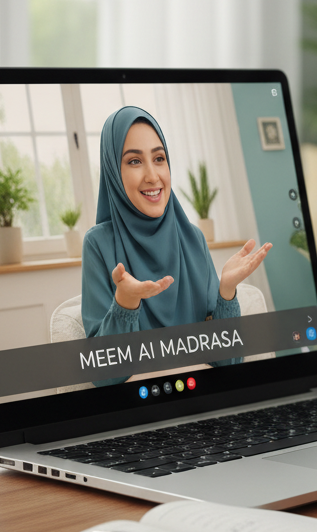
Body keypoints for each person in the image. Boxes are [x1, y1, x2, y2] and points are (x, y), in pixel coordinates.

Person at [82, 106, 271, 383]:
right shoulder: (98, 244)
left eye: (159, 158)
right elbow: (104, 378)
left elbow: (227, 361)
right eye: (134, 161)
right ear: (113, 171)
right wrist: (126, 301)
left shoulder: (193, 239)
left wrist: (227, 291)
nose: (152, 175)